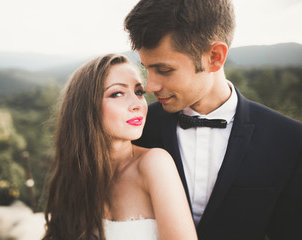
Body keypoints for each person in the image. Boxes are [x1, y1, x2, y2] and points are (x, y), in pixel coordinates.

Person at [124, 0, 302, 239]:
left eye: (164, 70)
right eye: (146, 69)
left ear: (215, 57)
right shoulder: (135, 131)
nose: (150, 86)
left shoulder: (290, 140)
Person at [42, 53, 197, 240]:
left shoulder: (154, 163)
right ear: (86, 108)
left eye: (139, 92)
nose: (137, 104)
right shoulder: (74, 176)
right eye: (117, 93)